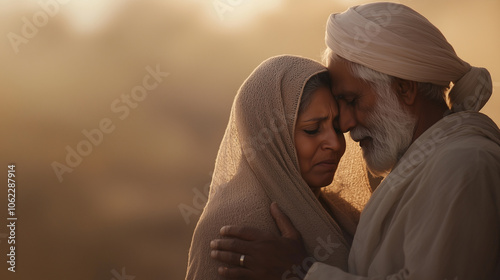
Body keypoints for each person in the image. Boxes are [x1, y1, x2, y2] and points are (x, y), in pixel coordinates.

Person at [210, 2, 500, 280]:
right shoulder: (426, 165)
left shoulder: (464, 166)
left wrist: (301, 274)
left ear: (404, 89)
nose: (346, 126)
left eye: (352, 100)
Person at [185, 55, 372, 279]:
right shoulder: (234, 227)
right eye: (312, 130)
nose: (334, 144)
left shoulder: (339, 212)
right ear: (273, 138)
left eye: (336, 127)